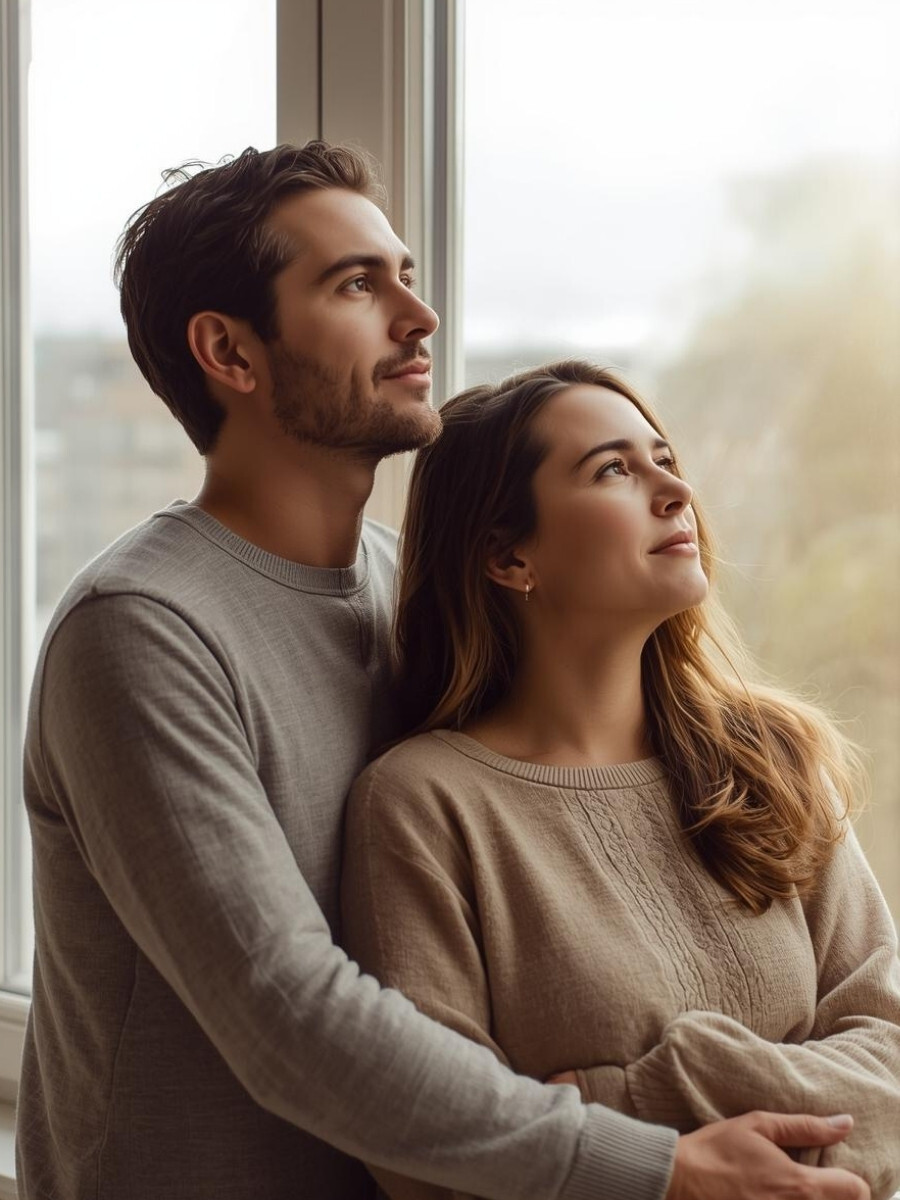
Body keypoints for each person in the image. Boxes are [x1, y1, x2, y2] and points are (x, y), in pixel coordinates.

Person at [16, 144, 863, 1200]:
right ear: (229, 352)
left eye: (406, 276)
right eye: (357, 285)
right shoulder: (141, 630)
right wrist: (649, 1162)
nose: (418, 319)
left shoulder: (401, 590)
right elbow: (286, 1011)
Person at [342, 360, 900, 1200]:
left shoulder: (772, 757)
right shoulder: (424, 805)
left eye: (664, 458)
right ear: (507, 556)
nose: (673, 490)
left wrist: (634, 1091)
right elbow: (436, 1159)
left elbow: (890, 1059)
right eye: (613, 469)